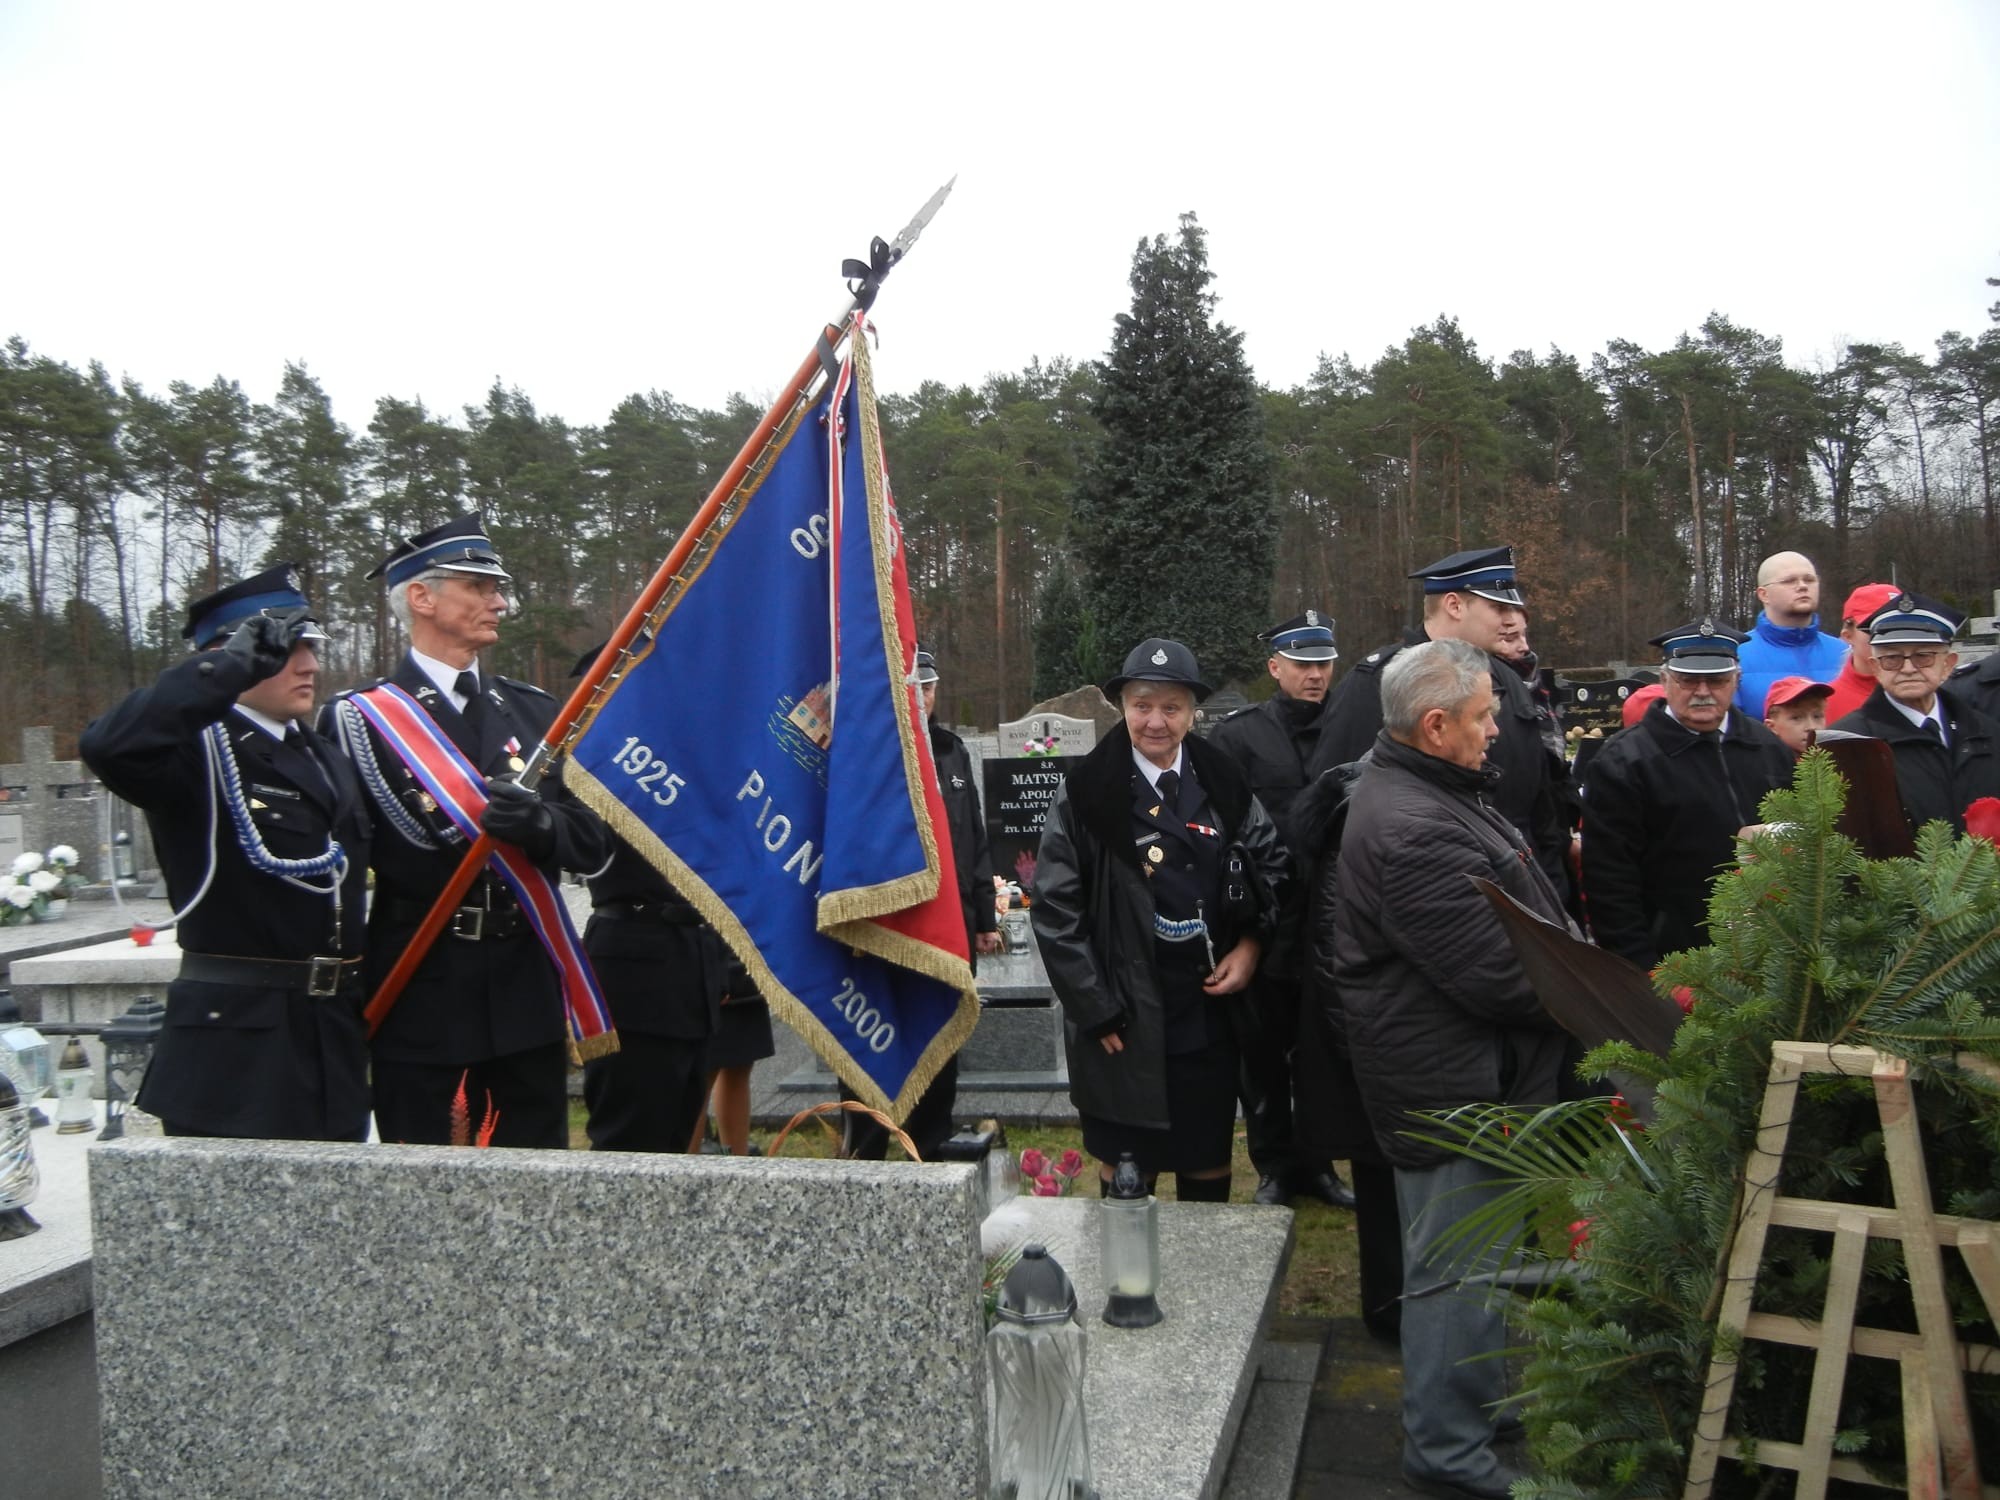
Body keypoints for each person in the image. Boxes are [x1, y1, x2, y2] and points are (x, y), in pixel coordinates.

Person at [1328, 638, 1572, 1500]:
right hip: (1453, 1084)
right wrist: (1591, 991)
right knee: (1456, 1269)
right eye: (1482, 716)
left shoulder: (1430, 789)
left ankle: (1480, 1406)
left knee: (1480, 1258)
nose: (1496, 730)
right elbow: (1503, 975)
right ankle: (1447, 1451)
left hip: (1470, 1072)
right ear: (1435, 726)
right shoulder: (1412, 827)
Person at [322, 514, 611, 1148]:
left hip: (523, 990)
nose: (499, 602)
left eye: (496, 587)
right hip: (422, 986)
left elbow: (594, 842)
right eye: (478, 586)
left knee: (535, 1174)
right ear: (421, 598)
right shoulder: (356, 721)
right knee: (426, 1180)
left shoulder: (533, 709)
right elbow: (338, 869)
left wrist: (540, 824)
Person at [80, 564, 372, 1140]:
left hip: (330, 1035)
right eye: (287, 649)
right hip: (236, 1047)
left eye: (312, 647)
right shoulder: (193, 751)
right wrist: (222, 672)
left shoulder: (323, 755)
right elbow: (108, 746)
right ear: (234, 654)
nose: (310, 664)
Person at [1032, 639, 1287, 1201]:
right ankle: (1128, 1260)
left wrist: (1251, 945)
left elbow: (1271, 864)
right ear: (1122, 705)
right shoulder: (1086, 792)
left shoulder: (1222, 779)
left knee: (1205, 1158)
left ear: (1192, 712)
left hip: (1207, 1010)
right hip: (1122, 1014)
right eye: (1142, 705)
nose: (1155, 721)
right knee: (1129, 1166)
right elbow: (1055, 909)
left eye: (1172, 707)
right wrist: (1095, 1007)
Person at [1310, 547, 1574, 897]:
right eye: (1499, 608)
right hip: (1424, 896)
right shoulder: (1377, 683)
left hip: (1522, 892)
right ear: (1454, 605)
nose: (1513, 620)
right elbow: (1340, 818)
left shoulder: (1509, 682)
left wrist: (1555, 895)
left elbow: (1541, 811)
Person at [1206, 611, 1355, 1209]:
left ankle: (1320, 1165)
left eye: (1324, 664)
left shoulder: (1353, 728)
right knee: (1263, 1053)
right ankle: (1273, 1166)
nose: (1315, 675)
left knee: (1322, 1053)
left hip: (1338, 919)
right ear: (1275, 667)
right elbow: (1224, 828)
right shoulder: (1239, 737)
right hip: (1270, 922)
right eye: (1302, 664)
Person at [842, 646, 1004, 1160]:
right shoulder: (866, 748)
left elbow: (973, 836)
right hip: (884, 926)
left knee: (939, 1034)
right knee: (870, 1038)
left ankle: (931, 1145)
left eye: (929, 688)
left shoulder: (952, 751)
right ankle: (864, 1149)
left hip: (947, 922)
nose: (923, 697)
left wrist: (984, 916)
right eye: (914, 687)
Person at [569, 643, 720, 1154]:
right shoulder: (594, 761)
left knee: (679, 1141)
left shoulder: (688, 756)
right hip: (634, 972)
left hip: (693, 970)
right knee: (628, 1143)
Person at [1579, 622, 1795, 969]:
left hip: (1770, 955)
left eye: (1717, 680)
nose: (1703, 692)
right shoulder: (1624, 762)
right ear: (1664, 680)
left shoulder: (1768, 748)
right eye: (1688, 680)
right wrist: (1640, 969)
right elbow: (1609, 881)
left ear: (1736, 680)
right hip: (1676, 959)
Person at [1830, 593, 2000, 836]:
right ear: (1875, 666)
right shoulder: (1848, 743)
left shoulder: (1987, 733)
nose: (1908, 669)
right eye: (1892, 658)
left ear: (1948, 664)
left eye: (1923, 656)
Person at [1731, 550, 1850, 718]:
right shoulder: (1736, 655)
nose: (1802, 586)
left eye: (1809, 579)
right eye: (1789, 581)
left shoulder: (1845, 653)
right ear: (1764, 594)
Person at [1823, 582, 1901, 724]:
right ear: (1848, 636)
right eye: (1877, 629)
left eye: (1900, 628)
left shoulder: (1930, 694)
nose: (1891, 637)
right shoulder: (1825, 704)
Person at [1763, 676, 1834, 756]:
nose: (1811, 727)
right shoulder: (1765, 762)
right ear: (1771, 727)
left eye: (1817, 716)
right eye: (1796, 718)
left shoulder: (1837, 758)